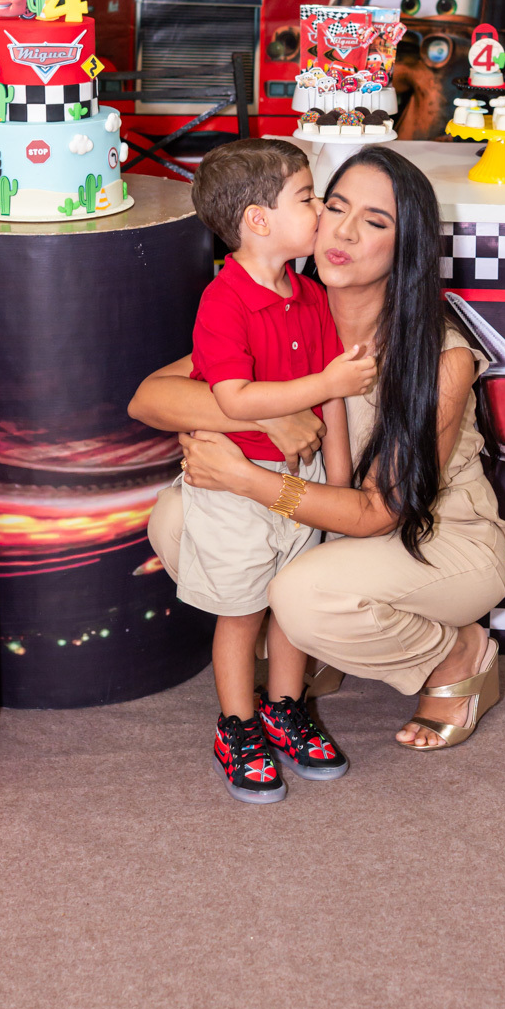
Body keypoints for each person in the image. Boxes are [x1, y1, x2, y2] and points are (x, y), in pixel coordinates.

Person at [129, 145, 505, 760]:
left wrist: (248, 479)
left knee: (302, 595)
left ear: (406, 247)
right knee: (179, 518)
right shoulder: (286, 304)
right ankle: (312, 651)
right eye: (333, 206)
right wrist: (274, 412)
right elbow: (151, 397)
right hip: (323, 520)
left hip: (437, 538)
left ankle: (455, 654)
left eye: (375, 221)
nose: (345, 231)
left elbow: (378, 514)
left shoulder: (441, 358)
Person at [163, 139, 376, 804]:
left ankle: (286, 708)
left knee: (290, 605)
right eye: (308, 198)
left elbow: (329, 407)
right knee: (241, 612)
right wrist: (327, 381)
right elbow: (234, 398)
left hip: (298, 478)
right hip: (233, 484)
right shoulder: (223, 301)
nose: (322, 213)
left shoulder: (309, 295)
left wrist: (337, 487)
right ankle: (238, 725)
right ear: (258, 220)